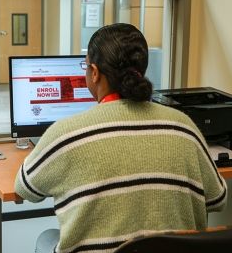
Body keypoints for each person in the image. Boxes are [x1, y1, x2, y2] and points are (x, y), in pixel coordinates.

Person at [15, 23, 227, 253]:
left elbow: (24, 189)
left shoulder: (65, 134)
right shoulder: (184, 126)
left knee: (47, 237)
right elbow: (218, 199)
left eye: (85, 67)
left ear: (94, 73)